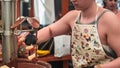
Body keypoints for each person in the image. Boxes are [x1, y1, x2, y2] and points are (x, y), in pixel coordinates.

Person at [24, 0, 120, 68]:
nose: (72, 0)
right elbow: (50, 30)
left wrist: (98, 67)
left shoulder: (108, 19)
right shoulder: (73, 16)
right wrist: (33, 38)